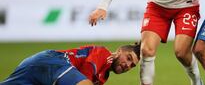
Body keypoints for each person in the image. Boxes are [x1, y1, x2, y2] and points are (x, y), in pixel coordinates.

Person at [0, 43, 141, 85]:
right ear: (119, 51)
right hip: (54, 61)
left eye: (132, 65)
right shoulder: (104, 54)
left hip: (39, 70)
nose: (127, 65)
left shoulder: (103, 77)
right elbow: (86, 70)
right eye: (128, 58)